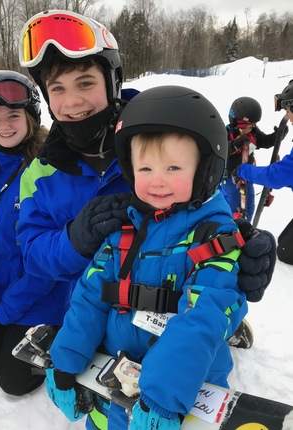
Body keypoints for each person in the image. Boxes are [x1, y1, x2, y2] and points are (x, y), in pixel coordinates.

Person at [17, 9, 275, 327]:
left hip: (165, 310)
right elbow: (31, 253)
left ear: (112, 81)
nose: (71, 102)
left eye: (85, 83)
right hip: (81, 315)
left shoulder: (164, 138)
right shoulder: (40, 173)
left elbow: (205, 200)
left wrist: (237, 240)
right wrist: (73, 241)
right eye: (58, 89)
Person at [44, 85, 249, 429]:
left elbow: (204, 316)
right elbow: (90, 298)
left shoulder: (215, 238)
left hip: (180, 391)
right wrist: (65, 360)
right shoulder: (123, 229)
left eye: (173, 168)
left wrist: (165, 397)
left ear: (205, 170)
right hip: (112, 380)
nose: (157, 182)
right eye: (145, 169)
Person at [0, 70, 70, 397]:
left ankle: (56, 333)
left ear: (30, 116)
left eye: (13, 115)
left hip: (40, 295)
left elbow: (51, 261)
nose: (4, 125)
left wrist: (7, 310)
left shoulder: (50, 169)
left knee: (14, 381)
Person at [233, 80, 293, 265]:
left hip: (244, 174)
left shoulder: (251, 134)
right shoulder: (231, 134)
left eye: (288, 111)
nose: (289, 118)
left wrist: (243, 170)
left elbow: (274, 176)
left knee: (284, 251)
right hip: (234, 183)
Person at [222, 96, 280, 221]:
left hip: (247, 176)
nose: (251, 129)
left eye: (253, 125)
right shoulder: (225, 132)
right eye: (248, 126)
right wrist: (235, 144)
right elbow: (221, 150)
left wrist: (276, 136)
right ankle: (231, 232)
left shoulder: (252, 132)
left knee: (248, 208)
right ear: (236, 123)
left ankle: (246, 228)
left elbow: (263, 141)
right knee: (233, 207)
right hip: (231, 179)